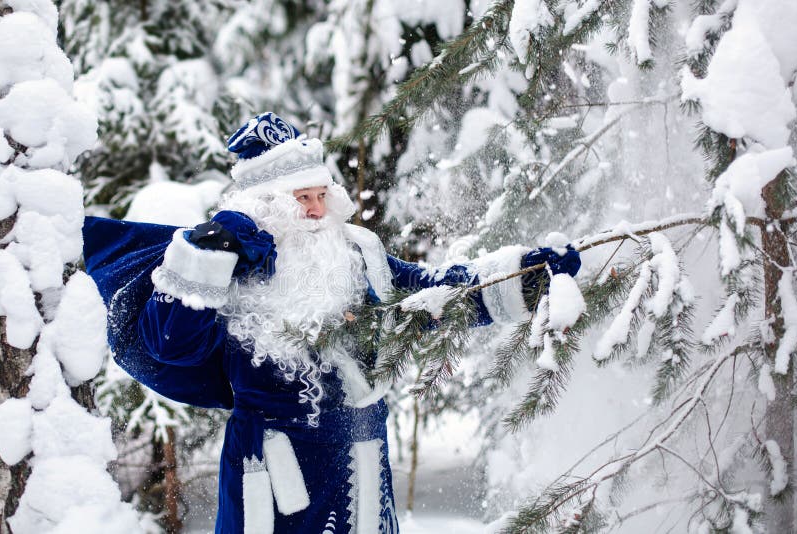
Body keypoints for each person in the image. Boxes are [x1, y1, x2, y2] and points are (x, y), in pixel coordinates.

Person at [82, 112, 581, 534]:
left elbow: (429, 293)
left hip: (362, 463)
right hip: (273, 475)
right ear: (264, 206)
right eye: (302, 198)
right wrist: (209, 252)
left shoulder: (357, 254)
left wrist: (526, 276)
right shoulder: (226, 267)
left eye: (321, 194)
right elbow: (169, 342)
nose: (318, 210)